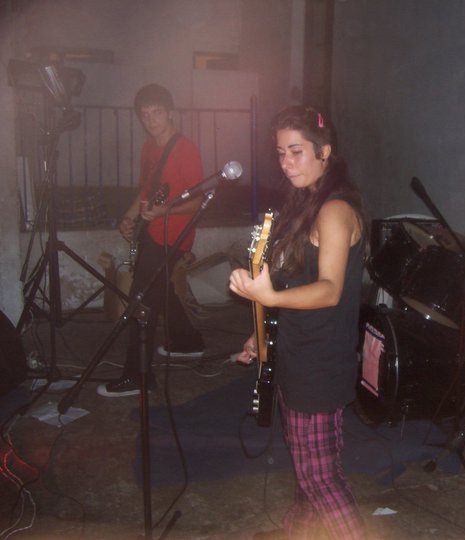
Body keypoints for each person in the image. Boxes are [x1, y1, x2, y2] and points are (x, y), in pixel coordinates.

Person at [229, 105, 366, 539]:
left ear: (325, 151)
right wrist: (261, 326)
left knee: (320, 476)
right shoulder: (306, 203)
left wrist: (269, 296)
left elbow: (329, 289)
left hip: (320, 358)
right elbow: (291, 280)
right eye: (280, 154)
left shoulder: (334, 211)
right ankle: (297, 530)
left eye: (296, 152)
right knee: (311, 462)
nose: (286, 164)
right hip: (298, 348)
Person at [98, 84, 205, 397]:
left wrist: (162, 212)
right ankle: (187, 341)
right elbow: (146, 190)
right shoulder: (149, 148)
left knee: (141, 299)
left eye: (156, 112)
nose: (151, 119)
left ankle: (139, 376)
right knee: (160, 290)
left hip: (174, 236)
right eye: (145, 114)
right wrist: (129, 217)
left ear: (170, 112)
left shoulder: (185, 149)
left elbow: (198, 202)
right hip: (152, 232)